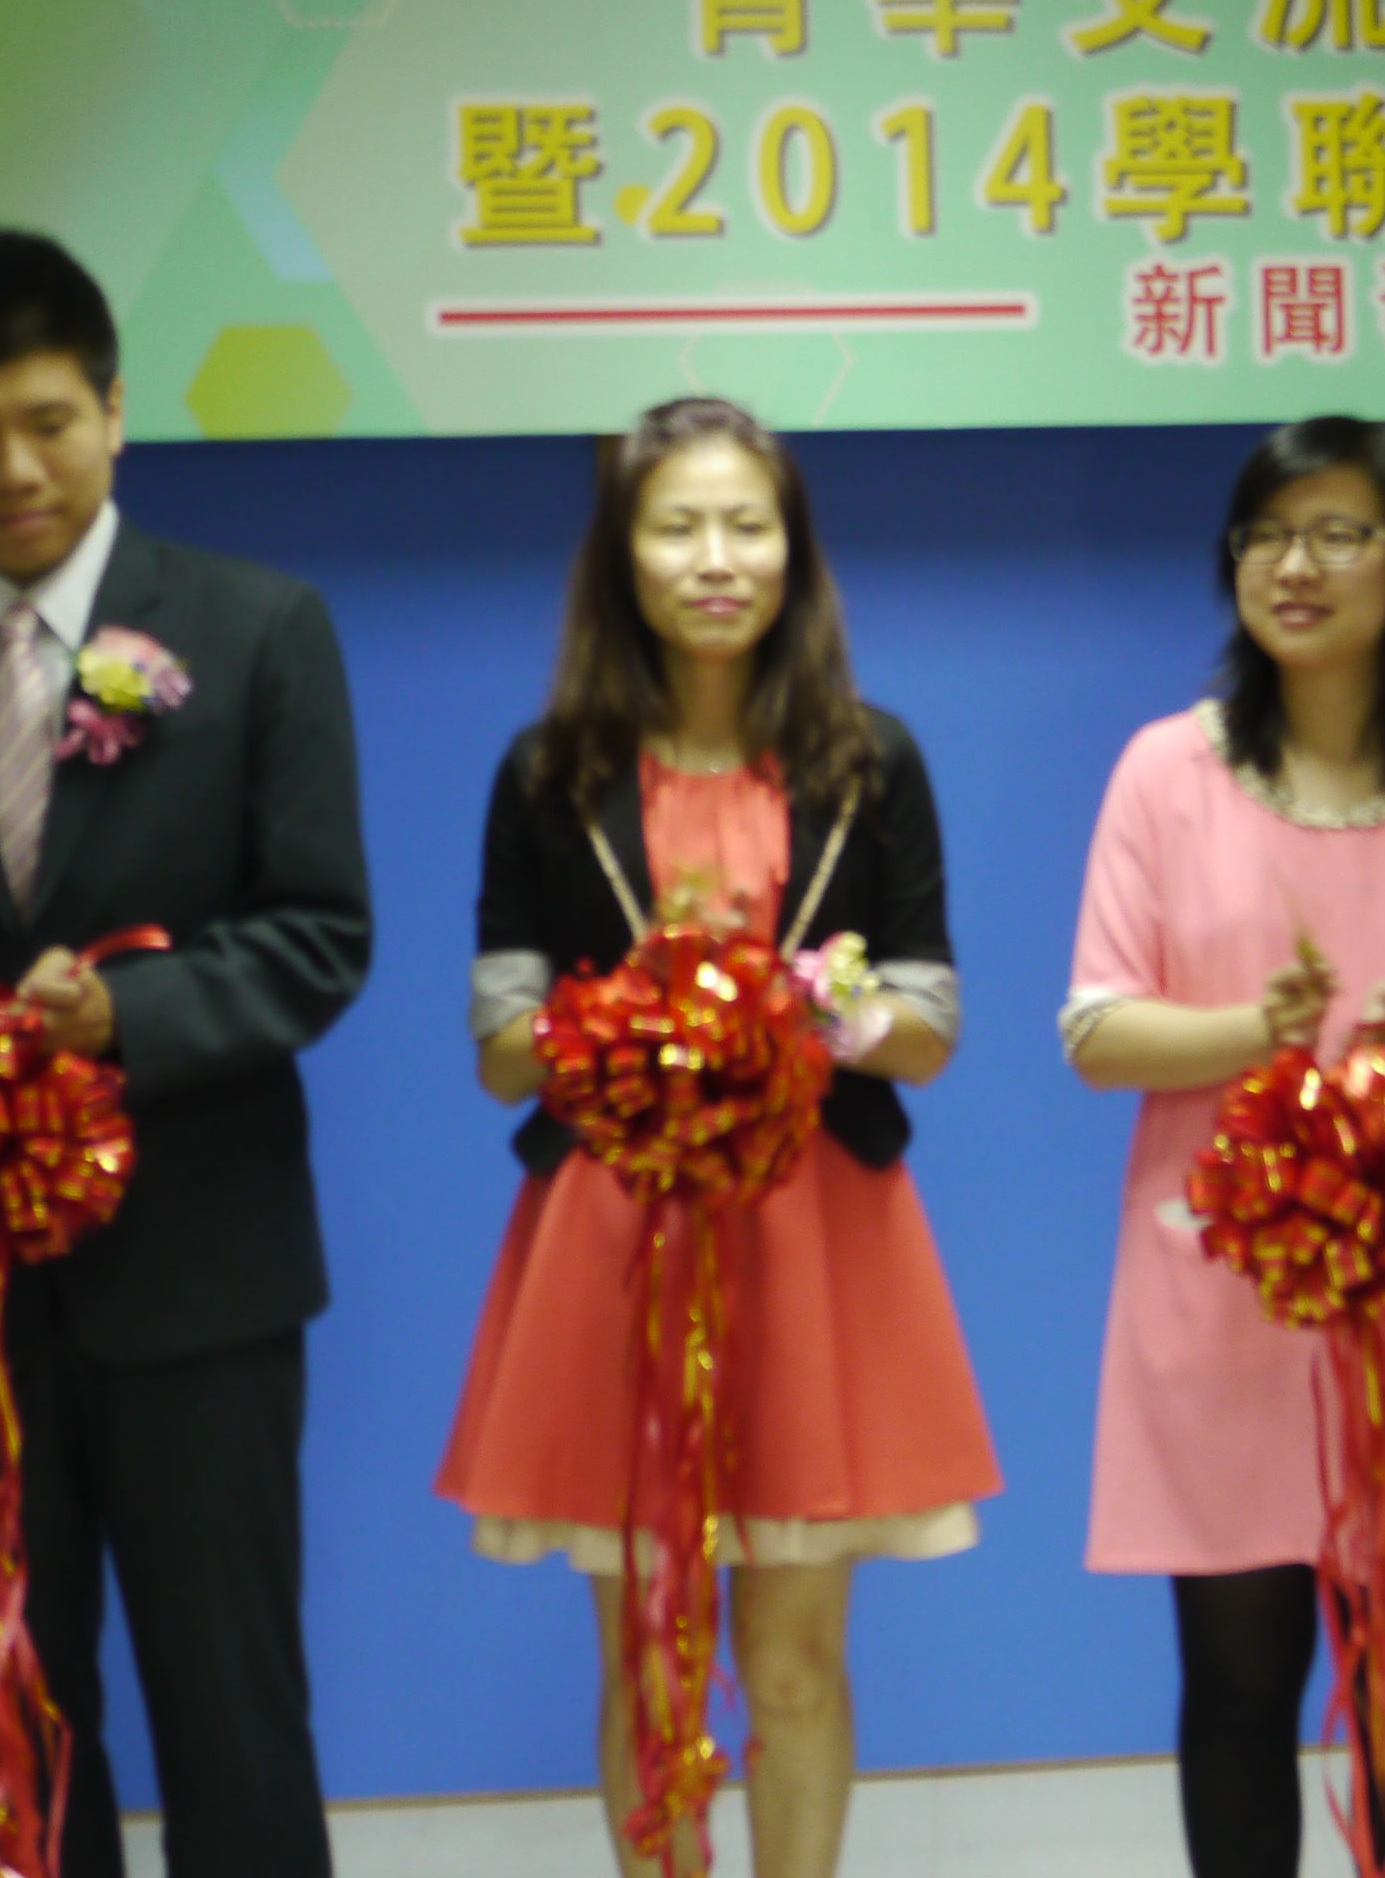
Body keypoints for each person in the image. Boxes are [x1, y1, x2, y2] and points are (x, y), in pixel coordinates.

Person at [0, 227, 370, 1878]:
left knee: (236, 1716)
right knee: (7, 1718)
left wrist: (126, 1018)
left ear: (115, 411)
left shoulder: (258, 631)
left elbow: (321, 936)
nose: (12, 469)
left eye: (46, 422)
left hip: (202, 1285)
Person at [437, 398, 1000, 1878]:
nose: (715, 559)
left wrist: (802, 1012)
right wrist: (634, 1019)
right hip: (613, 1237)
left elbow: (930, 1026)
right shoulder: (547, 771)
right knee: (649, 1657)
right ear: (620, 558)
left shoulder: (872, 760)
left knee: (796, 1664)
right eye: (676, 525)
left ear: (792, 555)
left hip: (817, 1237)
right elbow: (499, 1047)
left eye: (748, 525)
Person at [1063, 415, 1385, 1878]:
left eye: (1339, 533)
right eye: (1268, 536)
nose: (1296, 567)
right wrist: (1254, 1032)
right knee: (1237, 1684)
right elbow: (1097, 1030)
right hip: (1217, 1289)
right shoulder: (1164, 771)